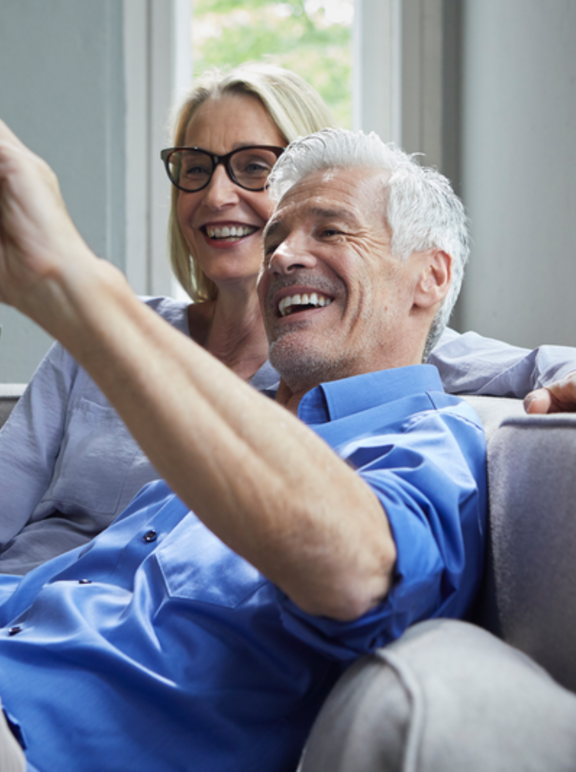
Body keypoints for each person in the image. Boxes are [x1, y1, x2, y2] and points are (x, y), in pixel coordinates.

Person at [0, 122, 486, 771]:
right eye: (277, 237)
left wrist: (76, 286)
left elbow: (354, 570)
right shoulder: (245, 433)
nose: (280, 256)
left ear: (430, 276)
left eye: (331, 230)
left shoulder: (429, 440)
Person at [0, 62, 575, 578]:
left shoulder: (343, 353)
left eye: (252, 167)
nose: (216, 194)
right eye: (195, 169)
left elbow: (534, 366)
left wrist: (74, 285)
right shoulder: (103, 342)